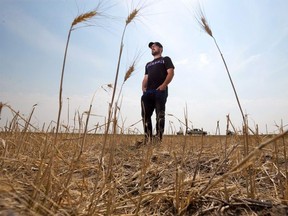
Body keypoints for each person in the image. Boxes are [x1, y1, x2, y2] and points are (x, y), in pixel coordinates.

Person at [141, 42, 175, 144]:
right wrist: (143, 87)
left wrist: (164, 85)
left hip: (160, 91)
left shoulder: (165, 59)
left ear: (161, 48)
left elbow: (171, 73)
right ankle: (148, 139)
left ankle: (158, 140)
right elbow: (146, 77)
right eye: (151, 47)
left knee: (159, 115)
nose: (152, 47)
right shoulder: (148, 64)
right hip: (148, 93)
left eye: (154, 46)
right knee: (145, 116)